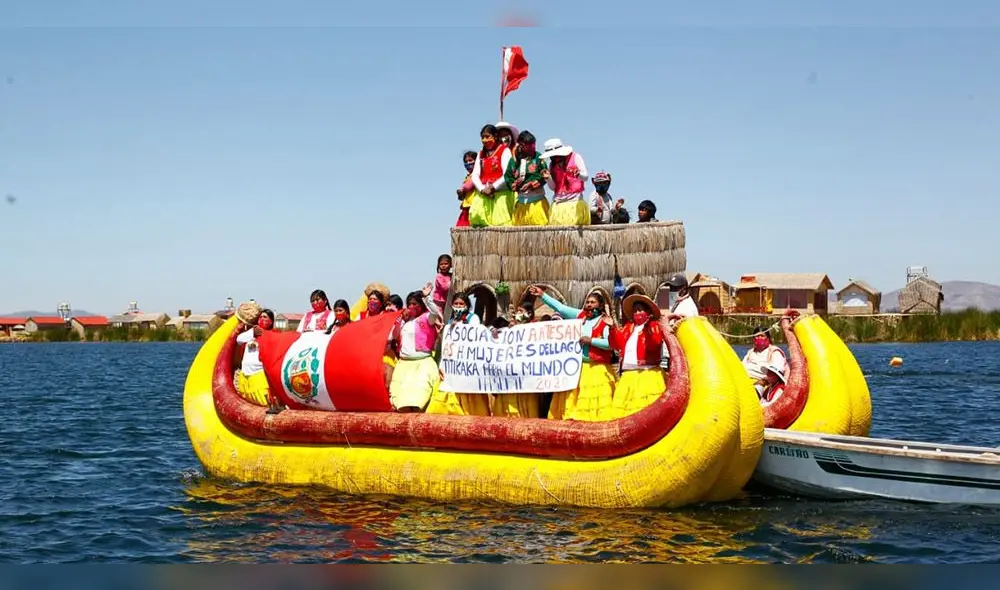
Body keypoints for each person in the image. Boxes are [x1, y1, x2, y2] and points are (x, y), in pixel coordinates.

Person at [530, 285, 616, 421]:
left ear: (600, 305)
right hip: (577, 368)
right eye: (587, 302)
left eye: (592, 302)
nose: (589, 304)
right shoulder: (580, 316)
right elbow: (561, 308)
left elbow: (611, 344)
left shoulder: (605, 322)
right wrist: (542, 295)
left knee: (592, 405)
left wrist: (591, 341)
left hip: (596, 370)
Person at [427, 292, 490, 417]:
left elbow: (473, 335)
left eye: (461, 304)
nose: (458, 306)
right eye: (456, 303)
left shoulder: (473, 318)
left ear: (467, 305)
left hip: (467, 362)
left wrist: (460, 328)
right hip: (452, 362)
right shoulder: (450, 320)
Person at [388, 284, 444, 412]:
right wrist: (399, 320)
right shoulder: (404, 321)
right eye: (410, 304)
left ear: (422, 305)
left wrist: (426, 297)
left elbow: (435, 312)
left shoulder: (427, 318)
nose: (412, 307)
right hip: (404, 364)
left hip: (422, 364)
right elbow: (394, 336)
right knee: (399, 397)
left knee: (420, 395)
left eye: (415, 304)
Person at [609, 294, 666, 418]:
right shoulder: (629, 328)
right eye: (635, 310)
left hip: (647, 374)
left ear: (648, 312)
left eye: (640, 309)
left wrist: (648, 328)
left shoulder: (654, 326)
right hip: (628, 375)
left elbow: (655, 344)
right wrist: (612, 328)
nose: (637, 313)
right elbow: (616, 343)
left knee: (647, 412)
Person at [234, 303, 282, 414]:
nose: (262, 319)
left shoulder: (274, 334)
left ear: (271, 321)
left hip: (259, 373)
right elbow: (239, 340)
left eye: (265, 317)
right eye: (260, 317)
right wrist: (252, 333)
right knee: (246, 397)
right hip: (245, 374)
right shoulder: (252, 333)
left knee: (265, 400)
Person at [468, 124, 515, 227]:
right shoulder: (480, 154)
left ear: (495, 136)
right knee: (478, 221)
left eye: (487, 136)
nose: (485, 140)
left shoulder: (504, 151)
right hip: (483, 195)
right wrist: (482, 189)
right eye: (482, 137)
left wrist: (493, 187)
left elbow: (507, 173)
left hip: (500, 195)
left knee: (501, 225)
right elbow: (475, 174)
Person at [541, 138, 590, 226]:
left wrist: (578, 175)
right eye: (552, 157)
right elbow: (554, 187)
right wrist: (548, 178)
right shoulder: (552, 165)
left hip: (574, 204)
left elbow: (585, 177)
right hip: (558, 206)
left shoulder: (575, 157)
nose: (554, 158)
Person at [507, 130, 550, 226]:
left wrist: (532, 184)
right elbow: (508, 176)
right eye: (529, 145)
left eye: (533, 144)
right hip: (521, 205)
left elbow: (544, 175)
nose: (533, 147)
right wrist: (514, 184)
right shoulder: (514, 160)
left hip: (537, 204)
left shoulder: (538, 158)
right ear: (521, 145)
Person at [659, 273, 699, 370]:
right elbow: (660, 315)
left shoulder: (689, 307)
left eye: (675, 288)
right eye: (670, 287)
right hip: (664, 352)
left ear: (684, 289)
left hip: (678, 354)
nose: (671, 290)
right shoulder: (666, 298)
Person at [742, 326, 788, 396]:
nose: (759, 338)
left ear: (768, 338)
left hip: (763, 384)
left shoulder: (774, 351)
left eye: (762, 336)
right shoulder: (750, 352)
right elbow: (741, 367)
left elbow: (777, 372)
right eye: (757, 336)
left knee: (755, 390)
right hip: (745, 381)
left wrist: (763, 381)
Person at [455, 150, 477, 227]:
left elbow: (469, 185)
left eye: (470, 160)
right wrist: (461, 194)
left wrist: (461, 190)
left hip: (475, 206)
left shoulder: (477, 174)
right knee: (461, 227)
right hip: (466, 205)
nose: (468, 163)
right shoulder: (467, 177)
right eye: (466, 161)